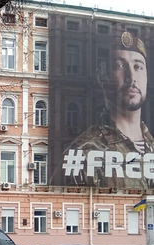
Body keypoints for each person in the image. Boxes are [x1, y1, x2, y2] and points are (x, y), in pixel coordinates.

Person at [58, 31, 154, 189]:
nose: (131, 77)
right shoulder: (85, 151)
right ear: (101, 77)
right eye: (120, 66)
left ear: (147, 77)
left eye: (138, 67)